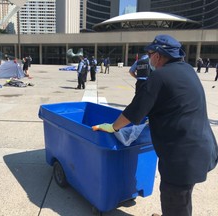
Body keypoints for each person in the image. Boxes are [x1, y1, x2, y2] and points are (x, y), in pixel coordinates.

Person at [93, 34, 218, 216]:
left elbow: (133, 112)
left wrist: (113, 127)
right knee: (181, 198)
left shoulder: (159, 76)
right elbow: (176, 104)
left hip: (181, 157)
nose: (148, 58)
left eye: (150, 53)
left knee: (174, 199)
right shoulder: (187, 70)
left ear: (157, 56)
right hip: (202, 147)